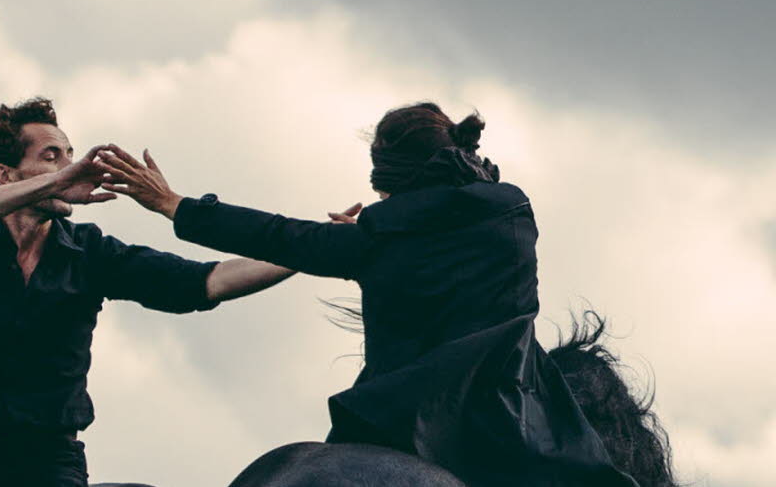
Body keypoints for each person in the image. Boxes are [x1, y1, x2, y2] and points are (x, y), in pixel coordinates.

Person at [96, 102, 639, 487]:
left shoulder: (374, 238)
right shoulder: (514, 213)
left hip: (395, 425)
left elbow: (282, 235)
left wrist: (175, 204)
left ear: (391, 178)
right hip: (505, 420)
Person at [0, 97, 296, 487]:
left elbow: (208, 281)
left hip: (50, 462)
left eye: (70, 156)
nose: (72, 168)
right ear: (6, 174)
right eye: (52, 157)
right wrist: (57, 182)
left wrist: (307, 250)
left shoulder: (90, 252)